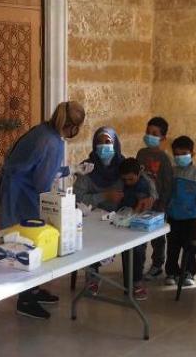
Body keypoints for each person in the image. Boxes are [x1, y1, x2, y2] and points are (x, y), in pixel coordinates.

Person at [0, 101, 86, 320]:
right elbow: (42, 183)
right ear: (73, 127)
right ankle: (25, 299)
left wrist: (69, 169)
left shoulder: (42, 130)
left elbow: (36, 166)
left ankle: (33, 290)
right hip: (21, 195)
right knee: (28, 242)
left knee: (26, 240)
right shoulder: (53, 143)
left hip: (14, 187)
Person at [73, 128, 156, 295]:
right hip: (96, 218)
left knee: (136, 242)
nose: (103, 146)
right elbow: (77, 197)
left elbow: (146, 181)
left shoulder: (123, 164)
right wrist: (104, 196)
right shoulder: (87, 168)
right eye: (99, 142)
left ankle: (135, 280)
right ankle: (92, 278)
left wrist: (151, 197)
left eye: (108, 142)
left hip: (123, 216)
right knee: (89, 237)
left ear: (115, 144)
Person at [164, 136, 196, 286]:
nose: (180, 157)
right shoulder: (172, 172)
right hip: (173, 216)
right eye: (176, 154)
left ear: (192, 153)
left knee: (189, 247)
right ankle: (171, 272)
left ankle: (188, 272)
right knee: (172, 247)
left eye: (184, 153)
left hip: (189, 218)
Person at [137, 117, 173, 281]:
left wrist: (163, 204)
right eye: (148, 132)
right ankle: (138, 265)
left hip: (158, 205)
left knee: (158, 238)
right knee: (140, 235)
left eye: (154, 133)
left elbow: (167, 184)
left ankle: (157, 265)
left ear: (163, 138)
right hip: (142, 201)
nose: (149, 136)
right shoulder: (141, 153)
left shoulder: (164, 159)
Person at [117, 158, 156, 300]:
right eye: (125, 180)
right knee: (126, 252)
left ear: (138, 174)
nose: (127, 182)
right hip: (124, 220)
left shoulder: (144, 185)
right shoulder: (122, 182)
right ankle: (128, 284)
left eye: (131, 179)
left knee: (138, 251)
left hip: (139, 223)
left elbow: (141, 207)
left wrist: (132, 216)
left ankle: (137, 282)